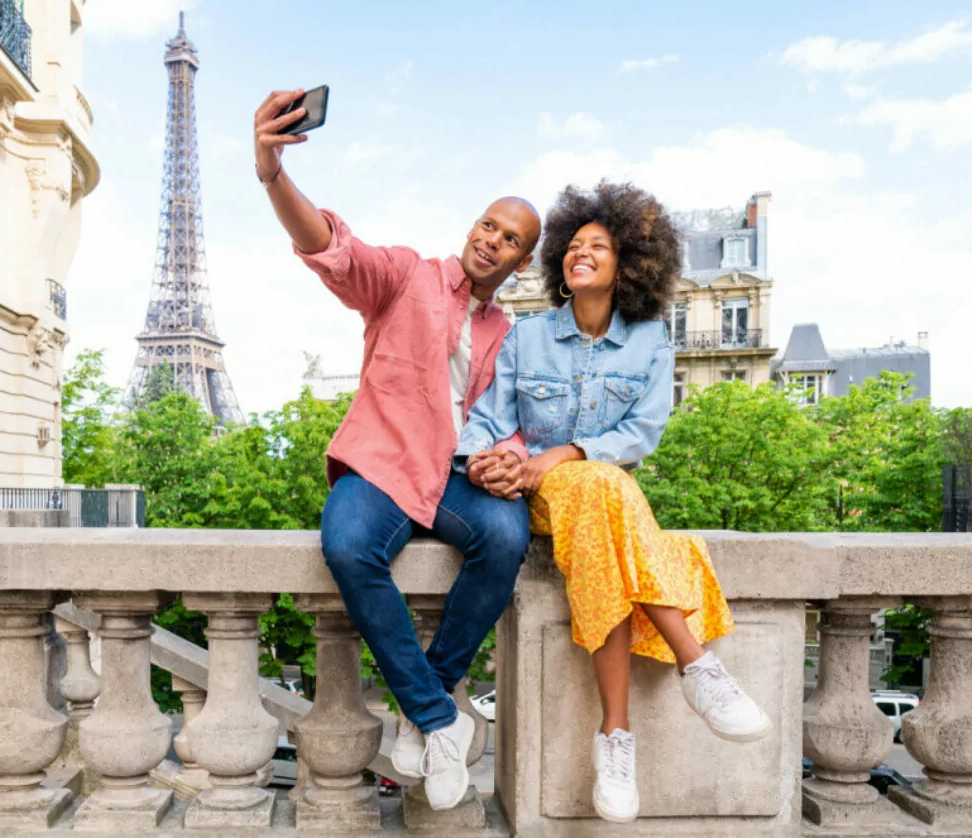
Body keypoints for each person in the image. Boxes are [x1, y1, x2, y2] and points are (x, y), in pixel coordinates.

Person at [253, 89, 541, 811]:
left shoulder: (508, 335)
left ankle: (423, 701)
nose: (491, 241)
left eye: (509, 239)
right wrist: (272, 173)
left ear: (522, 261)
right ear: (471, 226)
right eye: (487, 224)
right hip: (382, 466)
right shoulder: (408, 275)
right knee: (348, 544)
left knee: (506, 535)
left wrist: (509, 460)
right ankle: (442, 717)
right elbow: (330, 246)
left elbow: (508, 423)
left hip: (451, 477)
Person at [455, 181, 771, 824]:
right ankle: (696, 666)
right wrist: (486, 462)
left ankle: (616, 739)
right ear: (557, 267)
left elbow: (640, 434)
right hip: (539, 497)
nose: (580, 253)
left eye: (598, 246)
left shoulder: (652, 340)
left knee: (601, 493)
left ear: (627, 265)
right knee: (602, 492)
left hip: (598, 491)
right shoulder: (526, 336)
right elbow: (488, 418)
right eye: (572, 246)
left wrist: (561, 454)